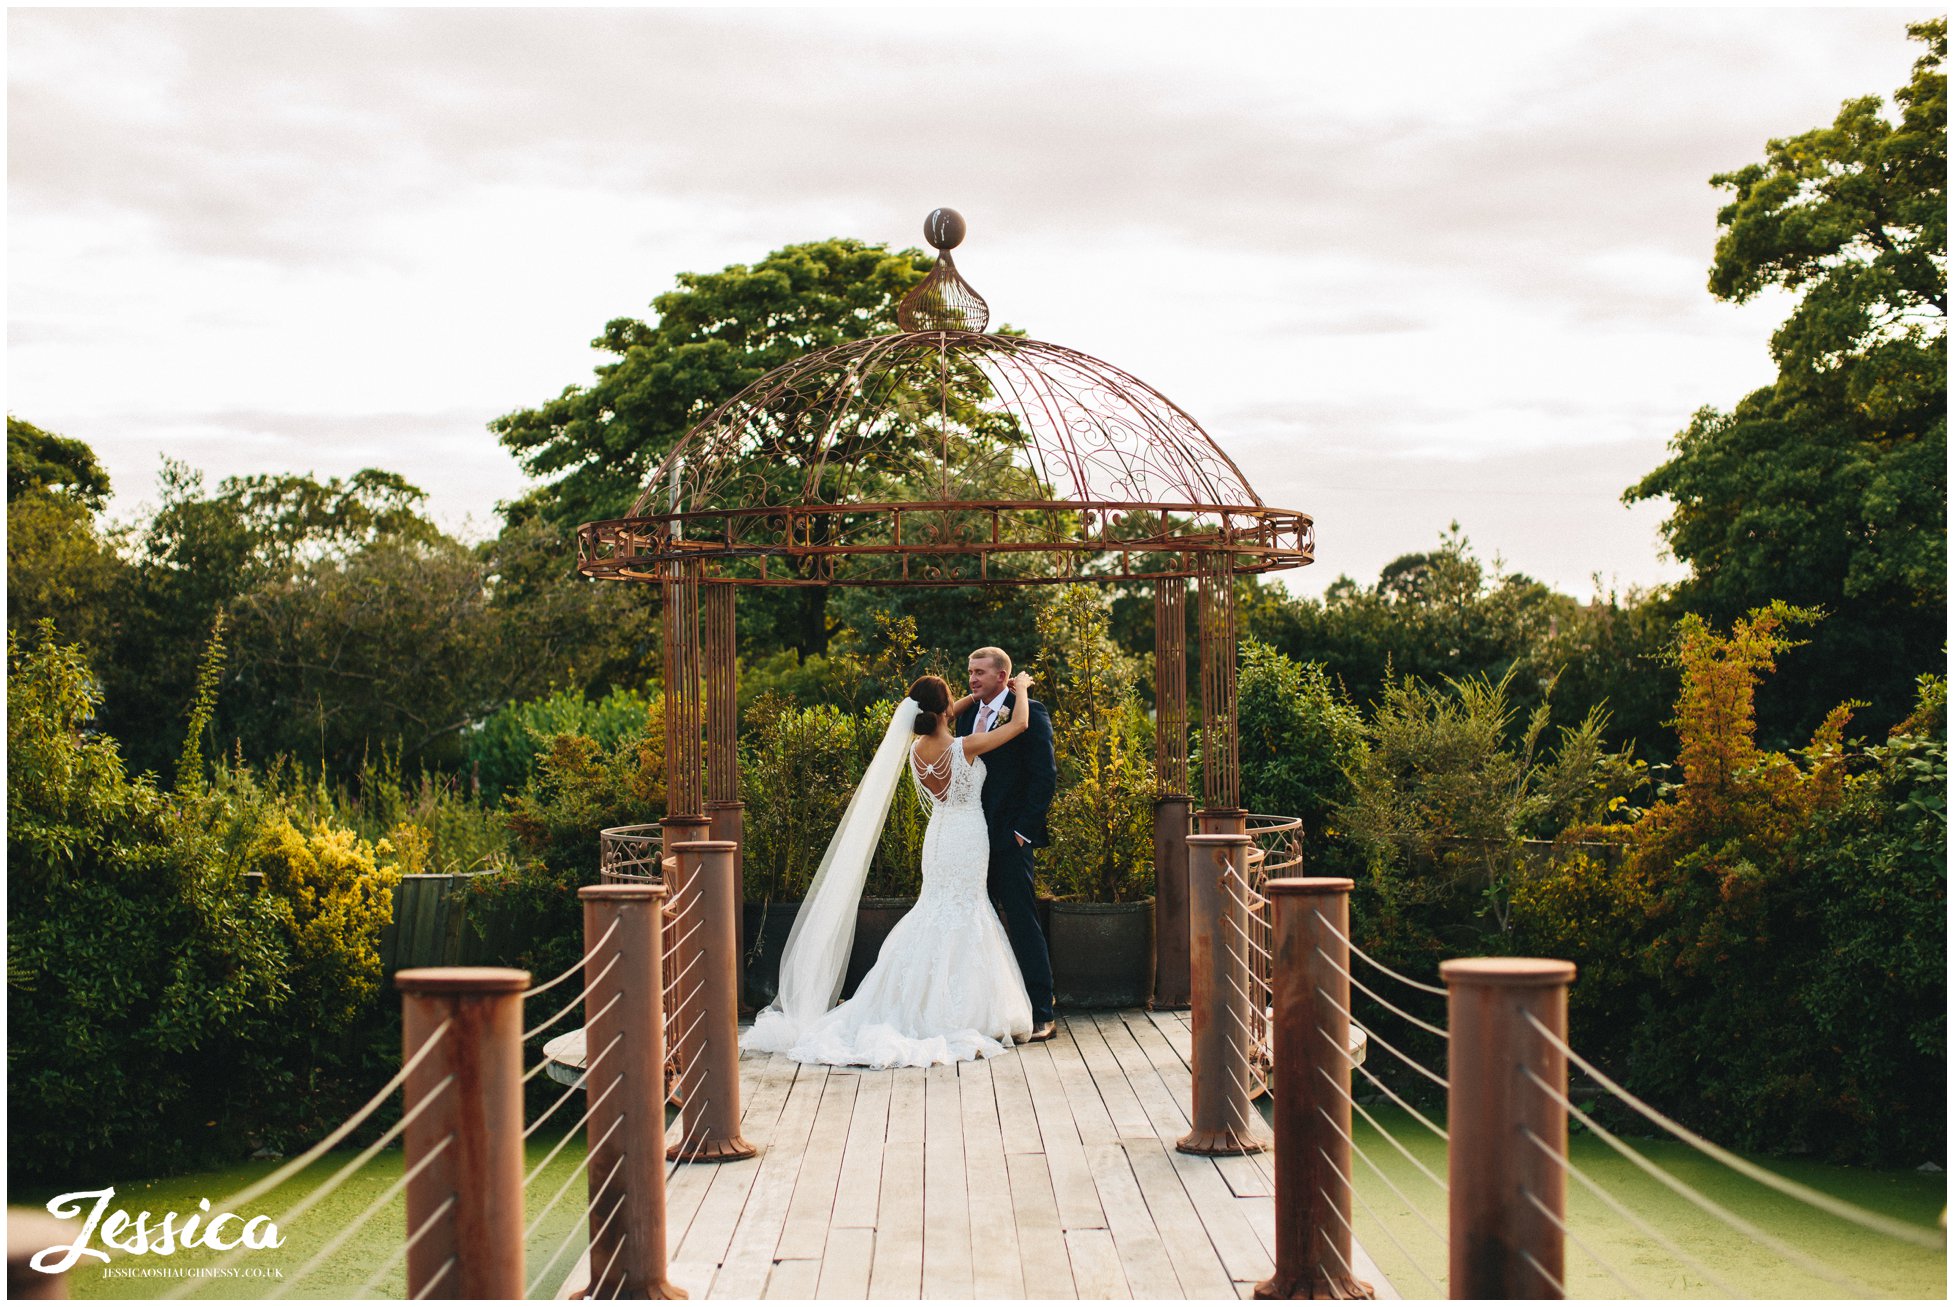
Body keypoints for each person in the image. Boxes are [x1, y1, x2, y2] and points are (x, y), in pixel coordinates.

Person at [740, 672, 1039, 1068]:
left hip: (937, 837)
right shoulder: (965, 747)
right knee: (966, 907)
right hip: (967, 836)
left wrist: (960, 700)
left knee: (935, 908)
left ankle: (910, 997)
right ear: (945, 710)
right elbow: (1020, 724)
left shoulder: (916, 749)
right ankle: (964, 1010)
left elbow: (942, 712)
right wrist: (1022, 688)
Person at [955, 646, 1058, 1041]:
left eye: (980, 672)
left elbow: (1044, 775)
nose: (972, 678)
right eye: (969, 671)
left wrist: (1022, 831)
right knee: (975, 922)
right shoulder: (965, 713)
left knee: (1021, 919)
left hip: (1008, 838)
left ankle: (1041, 1011)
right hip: (967, 838)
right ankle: (986, 1011)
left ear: (1002, 676)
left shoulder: (1030, 710)